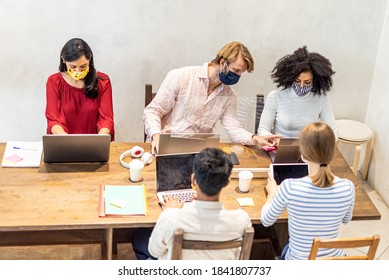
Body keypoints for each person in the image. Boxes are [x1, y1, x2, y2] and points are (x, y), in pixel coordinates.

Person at [143, 41, 279, 153]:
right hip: (165, 147)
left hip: (197, 152)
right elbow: (153, 111)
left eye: (241, 73)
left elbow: (233, 129)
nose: (237, 76)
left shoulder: (229, 96)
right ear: (222, 63)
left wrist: (255, 139)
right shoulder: (181, 77)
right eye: (236, 70)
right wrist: (156, 135)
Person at [131, 148, 252, 260]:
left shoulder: (170, 218)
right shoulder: (242, 220)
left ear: (193, 179)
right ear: (227, 182)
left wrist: (171, 210)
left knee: (139, 237)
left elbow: (154, 251)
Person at [261, 122, 355, 260]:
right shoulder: (348, 187)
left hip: (299, 262)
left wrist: (272, 194)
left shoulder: (290, 187)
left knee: (287, 244)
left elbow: (266, 220)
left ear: (303, 153)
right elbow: (346, 220)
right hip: (334, 261)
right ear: (332, 151)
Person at [257, 46, 338, 139]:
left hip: (308, 150)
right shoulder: (275, 97)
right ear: (290, 78)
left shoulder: (321, 99)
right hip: (279, 149)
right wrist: (273, 140)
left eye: (307, 82)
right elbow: (263, 129)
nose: (302, 86)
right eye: (297, 81)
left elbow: (333, 131)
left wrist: (322, 145)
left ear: (315, 80)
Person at [45, 38, 114, 140]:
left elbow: (106, 119)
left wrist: (99, 141)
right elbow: (53, 119)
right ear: (64, 60)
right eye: (72, 67)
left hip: (94, 143)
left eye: (83, 66)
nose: (78, 71)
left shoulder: (103, 81)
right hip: (64, 142)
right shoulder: (54, 82)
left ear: (90, 61)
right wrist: (68, 142)